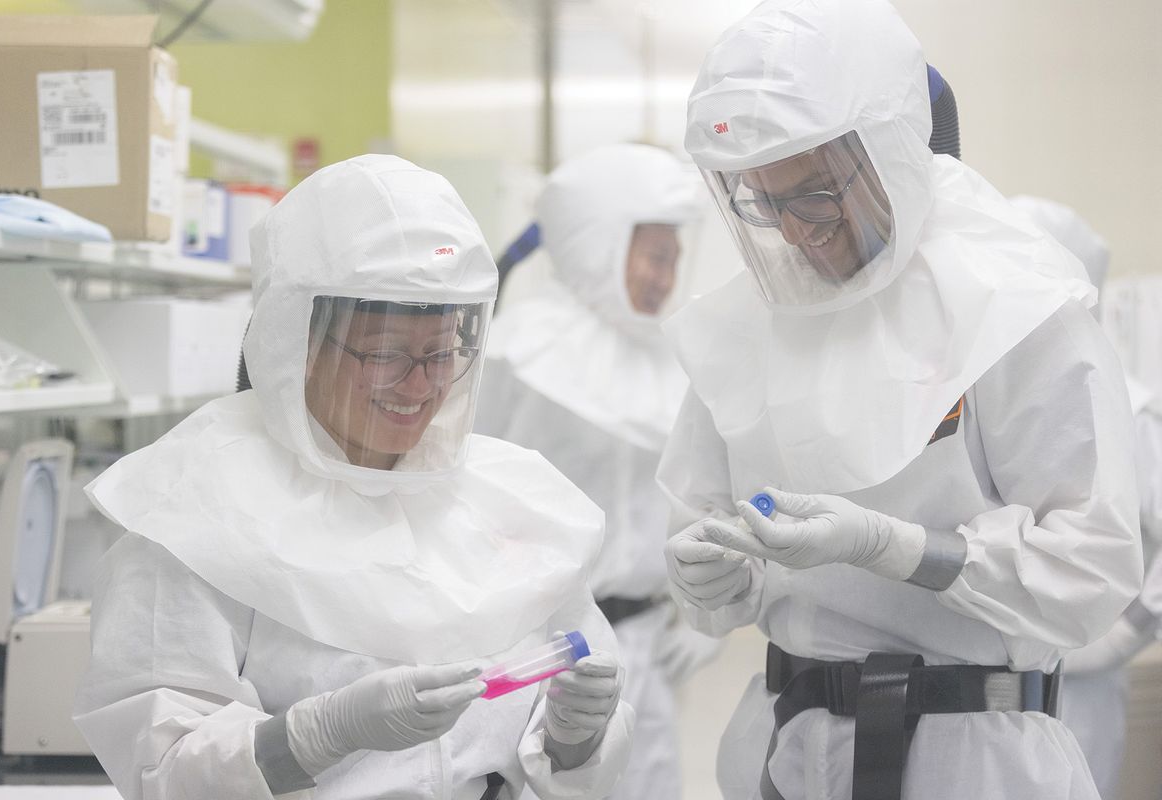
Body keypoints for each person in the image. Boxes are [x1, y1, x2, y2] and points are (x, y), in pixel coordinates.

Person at [658, 1, 1143, 799]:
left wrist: (901, 549)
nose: (800, 233)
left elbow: (1091, 568)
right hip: (783, 741)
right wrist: (712, 580)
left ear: (888, 149)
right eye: (765, 202)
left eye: (815, 194)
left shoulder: (1010, 302)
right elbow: (705, 539)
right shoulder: (748, 325)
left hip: (970, 755)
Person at [73, 155, 635, 800]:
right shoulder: (193, 512)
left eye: (442, 353)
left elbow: (579, 735)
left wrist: (578, 737)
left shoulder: (508, 497)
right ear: (297, 341)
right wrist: (318, 734)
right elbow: (162, 771)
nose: (421, 386)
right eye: (388, 353)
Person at [475, 143, 721, 800]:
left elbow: (698, 501)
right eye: (655, 256)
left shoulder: (670, 361)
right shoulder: (515, 354)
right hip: (531, 654)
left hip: (643, 648)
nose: (666, 277)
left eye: (674, 258)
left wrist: (701, 614)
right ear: (600, 244)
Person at [1011, 193, 1162, 800]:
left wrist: (1128, 630)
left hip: (1082, 690)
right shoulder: (985, 398)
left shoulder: (1132, 408)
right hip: (975, 695)